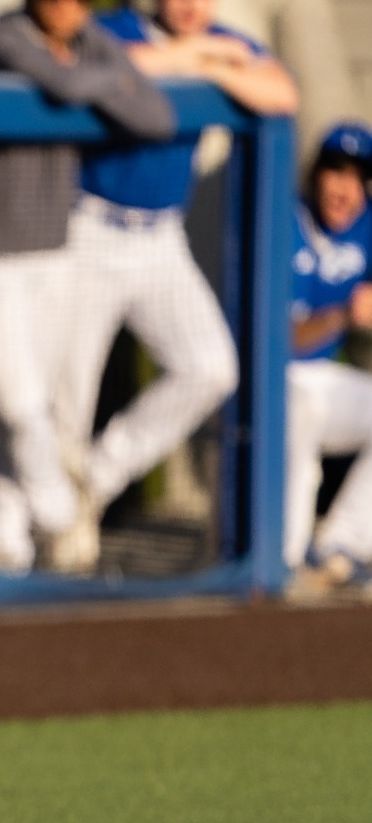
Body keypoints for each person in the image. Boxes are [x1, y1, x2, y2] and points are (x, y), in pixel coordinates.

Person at [42, 0, 296, 572]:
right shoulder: (113, 28)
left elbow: (281, 93)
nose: (189, 5)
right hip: (91, 225)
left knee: (210, 368)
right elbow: (101, 68)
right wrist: (201, 60)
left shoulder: (223, 41)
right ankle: (45, 543)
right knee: (68, 398)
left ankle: (95, 479)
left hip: (161, 235)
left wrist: (210, 66)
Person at [0, 0, 175, 575]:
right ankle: (56, 513)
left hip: (53, 247)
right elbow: (64, 85)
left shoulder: (90, 39)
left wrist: (107, 74)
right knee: (20, 402)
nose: (67, 7)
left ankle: (4, 535)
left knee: (35, 404)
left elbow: (157, 117)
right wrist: (115, 78)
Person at [285, 122, 372, 589]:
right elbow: (283, 339)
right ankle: (286, 557)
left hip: (324, 379)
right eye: (336, 172)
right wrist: (344, 315)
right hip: (272, 380)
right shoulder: (285, 219)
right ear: (316, 174)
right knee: (301, 409)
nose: (345, 190)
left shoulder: (366, 225)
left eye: (358, 178)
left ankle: (342, 545)